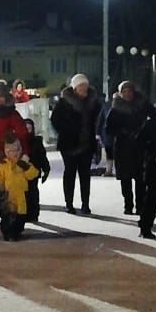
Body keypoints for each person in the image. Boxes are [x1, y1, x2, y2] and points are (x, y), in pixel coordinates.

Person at [49, 73, 102, 215]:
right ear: (74, 88)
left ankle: (85, 204)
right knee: (70, 173)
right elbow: (54, 119)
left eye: (85, 85)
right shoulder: (64, 102)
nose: (83, 88)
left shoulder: (93, 101)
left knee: (85, 175)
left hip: (86, 144)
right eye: (80, 86)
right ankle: (69, 204)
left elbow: (98, 118)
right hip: (69, 145)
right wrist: (66, 130)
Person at [106, 80, 153, 215]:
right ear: (120, 93)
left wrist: (146, 130)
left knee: (140, 179)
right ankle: (128, 204)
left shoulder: (142, 104)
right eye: (124, 91)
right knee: (125, 179)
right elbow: (109, 128)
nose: (127, 94)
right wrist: (122, 132)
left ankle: (140, 205)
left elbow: (155, 114)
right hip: (123, 147)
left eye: (129, 91)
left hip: (140, 146)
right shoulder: (115, 109)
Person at [0, 133, 39, 241]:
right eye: (11, 151)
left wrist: (26, 167)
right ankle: (7, 232)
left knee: (20, 215)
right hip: (8, 195)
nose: (14, 153)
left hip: (21, 195)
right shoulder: (2, 165)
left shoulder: (24, 163)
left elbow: (33, 174)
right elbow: (0, 180)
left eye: (16, 150)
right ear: (6, 151)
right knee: (7, 215)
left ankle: (16, 232)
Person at [137, 95, 156, 239]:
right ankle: (145, 227)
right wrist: (155, 155)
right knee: (152, 200)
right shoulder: (152, 125)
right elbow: (140, 143)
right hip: (155, 168)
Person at [22, 117, 50, 222]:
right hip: (22, 172)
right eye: (26, 128)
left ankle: (33, 214)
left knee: (33, 194)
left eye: (29, 128)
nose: (28, 130)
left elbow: (42, 156)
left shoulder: (37, 141)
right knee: (24, 194)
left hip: (34, 171)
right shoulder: (19, 141)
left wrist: (46, 169)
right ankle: (23, 214)